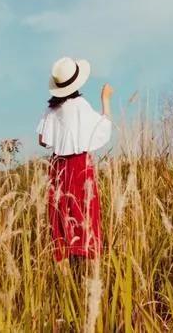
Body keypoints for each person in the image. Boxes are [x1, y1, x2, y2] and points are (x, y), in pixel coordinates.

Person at [36, 57, 113, 264]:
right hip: (79, 164)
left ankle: (64, 269)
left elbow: (42, 140)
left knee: (61, 214)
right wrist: (105, 99)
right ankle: (84, 270)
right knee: (84, 212)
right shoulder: (80, 105)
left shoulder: (51, 109)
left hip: (58, 165)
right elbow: (102, 130)